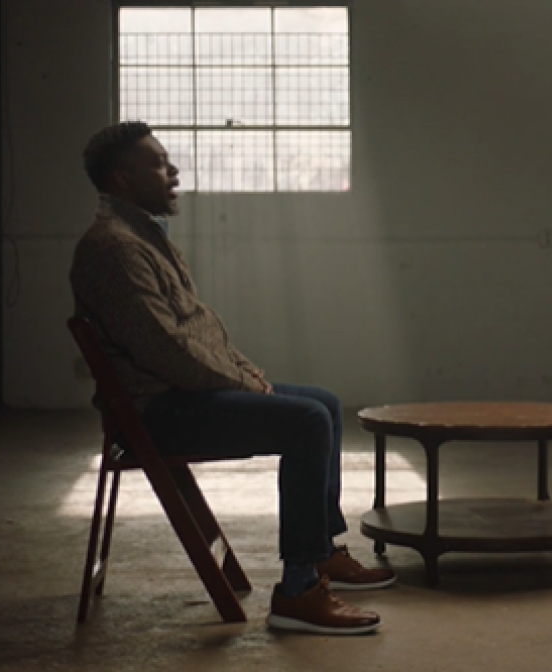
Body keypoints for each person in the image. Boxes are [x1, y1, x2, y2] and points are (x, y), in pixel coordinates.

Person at [70, 121, 395, 635]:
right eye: (157, 163)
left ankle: (321, 551)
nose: (172, 171)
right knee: (307, 421)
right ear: (122, 178)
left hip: (179, 396)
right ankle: (298, 592)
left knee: (324, 403)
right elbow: (164, 349)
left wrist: (246, 373)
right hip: (157, 415)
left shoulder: (143, 235)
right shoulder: (114, 248)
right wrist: (242, 386)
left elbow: (197, 329)